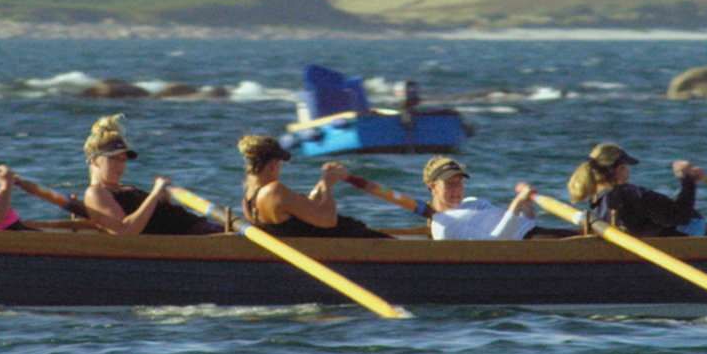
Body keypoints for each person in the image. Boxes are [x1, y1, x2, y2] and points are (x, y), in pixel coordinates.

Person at [70, 115, 219, 235]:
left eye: (123, 160)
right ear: (94, 160)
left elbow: (159, 219)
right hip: (192, 237)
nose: (120, 165)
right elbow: (125, 231)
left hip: (197, 229)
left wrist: (164, 200)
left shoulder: (124, 189)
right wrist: (154, 194)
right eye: (113, 159)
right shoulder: (96, 193)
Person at [565, 142, 707, 237]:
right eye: (627, 167)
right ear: (621, 169)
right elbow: (679, 216)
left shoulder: (597, 200)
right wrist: (687, 181)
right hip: (681, 243)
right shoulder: (627, 194)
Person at [238, 134, 389, 238]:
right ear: (272, 165)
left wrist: (323, 182)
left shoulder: (248, 200)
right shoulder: (273, 191)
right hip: (346, 241)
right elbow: (329, 220)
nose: (280, 169)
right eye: (279, 165)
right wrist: (327, 188)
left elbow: (305, 209)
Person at [422, 156, 536, 241]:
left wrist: (527, 204)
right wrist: (518, 202)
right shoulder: (444, 224)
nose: (456, 189)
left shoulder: (472, 202)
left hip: (536, 233)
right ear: (433, 187)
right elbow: (496, 245)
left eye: (459, 183)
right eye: (450, 184)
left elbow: (527, 222)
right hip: (527, 243)